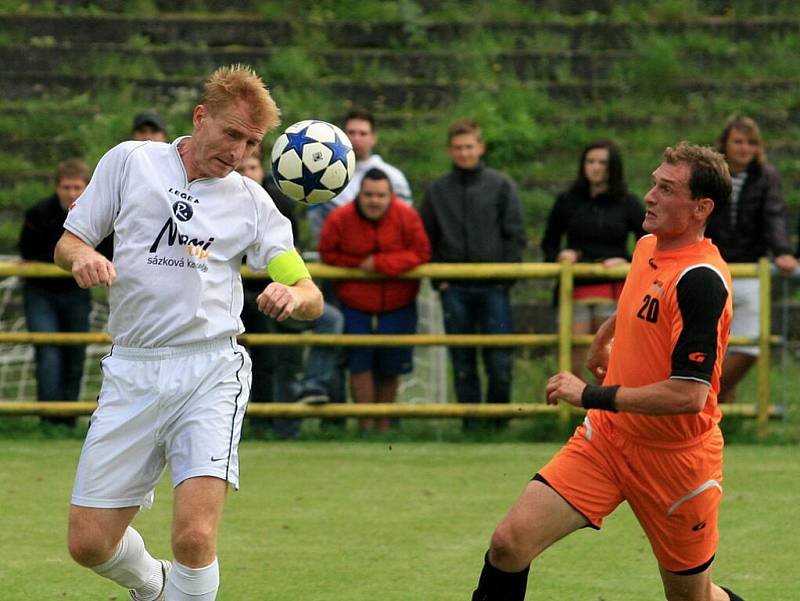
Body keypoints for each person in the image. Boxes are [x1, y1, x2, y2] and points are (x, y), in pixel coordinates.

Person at [55, 65, 322, 601]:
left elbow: (311, 293)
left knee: (195, 536)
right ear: (201, 118)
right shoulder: (131, 161)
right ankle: (154, 587)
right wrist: (83, 257)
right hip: (131, 367)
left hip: (210, 371)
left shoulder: (251, 201)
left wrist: (294, 295)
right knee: (88, 543)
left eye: (251, 143)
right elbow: (69, 243)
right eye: (231, 135)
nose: (239, 152)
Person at [470, 143, 747, 601]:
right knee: (509, 544)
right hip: (607, 441)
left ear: (702, 208)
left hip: (676, 462)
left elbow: (688, 396)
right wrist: (606, 335)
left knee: (692, 597)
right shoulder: (647, 246)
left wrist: (590, 395)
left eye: (666, 188)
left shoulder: (701, 280)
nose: (650, 196)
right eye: (654, 182)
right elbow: (642, 299)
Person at [419, 119, 525, 431]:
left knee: (499, 360)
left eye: (469, 146)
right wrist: (441, 281)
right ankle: (471, 425)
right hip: (455, 288)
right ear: (449, 151)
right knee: (462, 360)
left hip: (494, 287)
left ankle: (498, 425)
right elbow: (427, 238)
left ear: (480, 148)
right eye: (458, 148)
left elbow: (515, 235)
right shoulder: (437, 191)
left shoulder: (502, 185)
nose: (464, 153)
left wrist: (504, 278)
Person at [236, 150, 344, 439]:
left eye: (253, 166)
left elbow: (287, 255)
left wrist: (293, 291)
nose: (248, 173)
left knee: (325, 324)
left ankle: (313, 389)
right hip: (243, 300)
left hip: (280, 292)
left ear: (263, 170)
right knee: (271, 359)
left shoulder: (278, 203)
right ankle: (264, 423)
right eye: (241, 167)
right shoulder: (218, 204)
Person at [319, 168, 430, 432]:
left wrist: (380, 263)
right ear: (360, 194)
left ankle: (384, 427)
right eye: (369, 194)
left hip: (398, 303)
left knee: (391, 364)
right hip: (354, 303)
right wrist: (358, 266)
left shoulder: (407, 216)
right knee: (360, 363)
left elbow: (421, 253)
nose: (374, 201)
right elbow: (327, 254)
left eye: (380, 195)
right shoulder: (340, 218)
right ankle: (365, 426)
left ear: (391, 195)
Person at [705, 115, 798, 403]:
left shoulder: (765, 175)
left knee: (750, 347)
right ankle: (718, 418)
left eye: (751, 142)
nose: (745, 148)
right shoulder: (710, 173)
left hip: (749, 268)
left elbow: (774, 214)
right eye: (738, 141)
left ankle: (701, 399)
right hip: (711, 266)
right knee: (711, 346)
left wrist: (782, 250)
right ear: (725, 143)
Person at [17, 159, 111, 427]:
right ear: (57, 187)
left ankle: (68, 418)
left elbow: (105, 251)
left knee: (75, 352)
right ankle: (49, 418)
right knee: (47, 351)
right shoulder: (38, 213)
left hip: (77, 291)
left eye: (77, 187)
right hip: (41, 292)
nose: (72, 193)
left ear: (87, 187)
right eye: (67, 187)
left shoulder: (99, 215)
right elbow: (27, 252)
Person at [541, 140, 645, 379]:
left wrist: (626, 260)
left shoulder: (627, 202)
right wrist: (560, 257)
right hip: (574, 287)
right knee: (572, 356)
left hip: (613, 287)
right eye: (590, 161)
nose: (595, 167)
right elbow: (549, 242)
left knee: (608, 356)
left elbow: (649, 241)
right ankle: (571, 411)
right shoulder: (567, 201)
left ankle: (606, 412)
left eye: (602, 162)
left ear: (613, 167)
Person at [307, 107, 412, 247]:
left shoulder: (394, 177)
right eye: (351, 132)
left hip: (384, 260)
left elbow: (404, 223)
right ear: (342, 136)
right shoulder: (322, 176)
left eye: (363, 133)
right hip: (337, 261)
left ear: (374, 138)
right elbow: (317, 222)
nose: (356, 138)